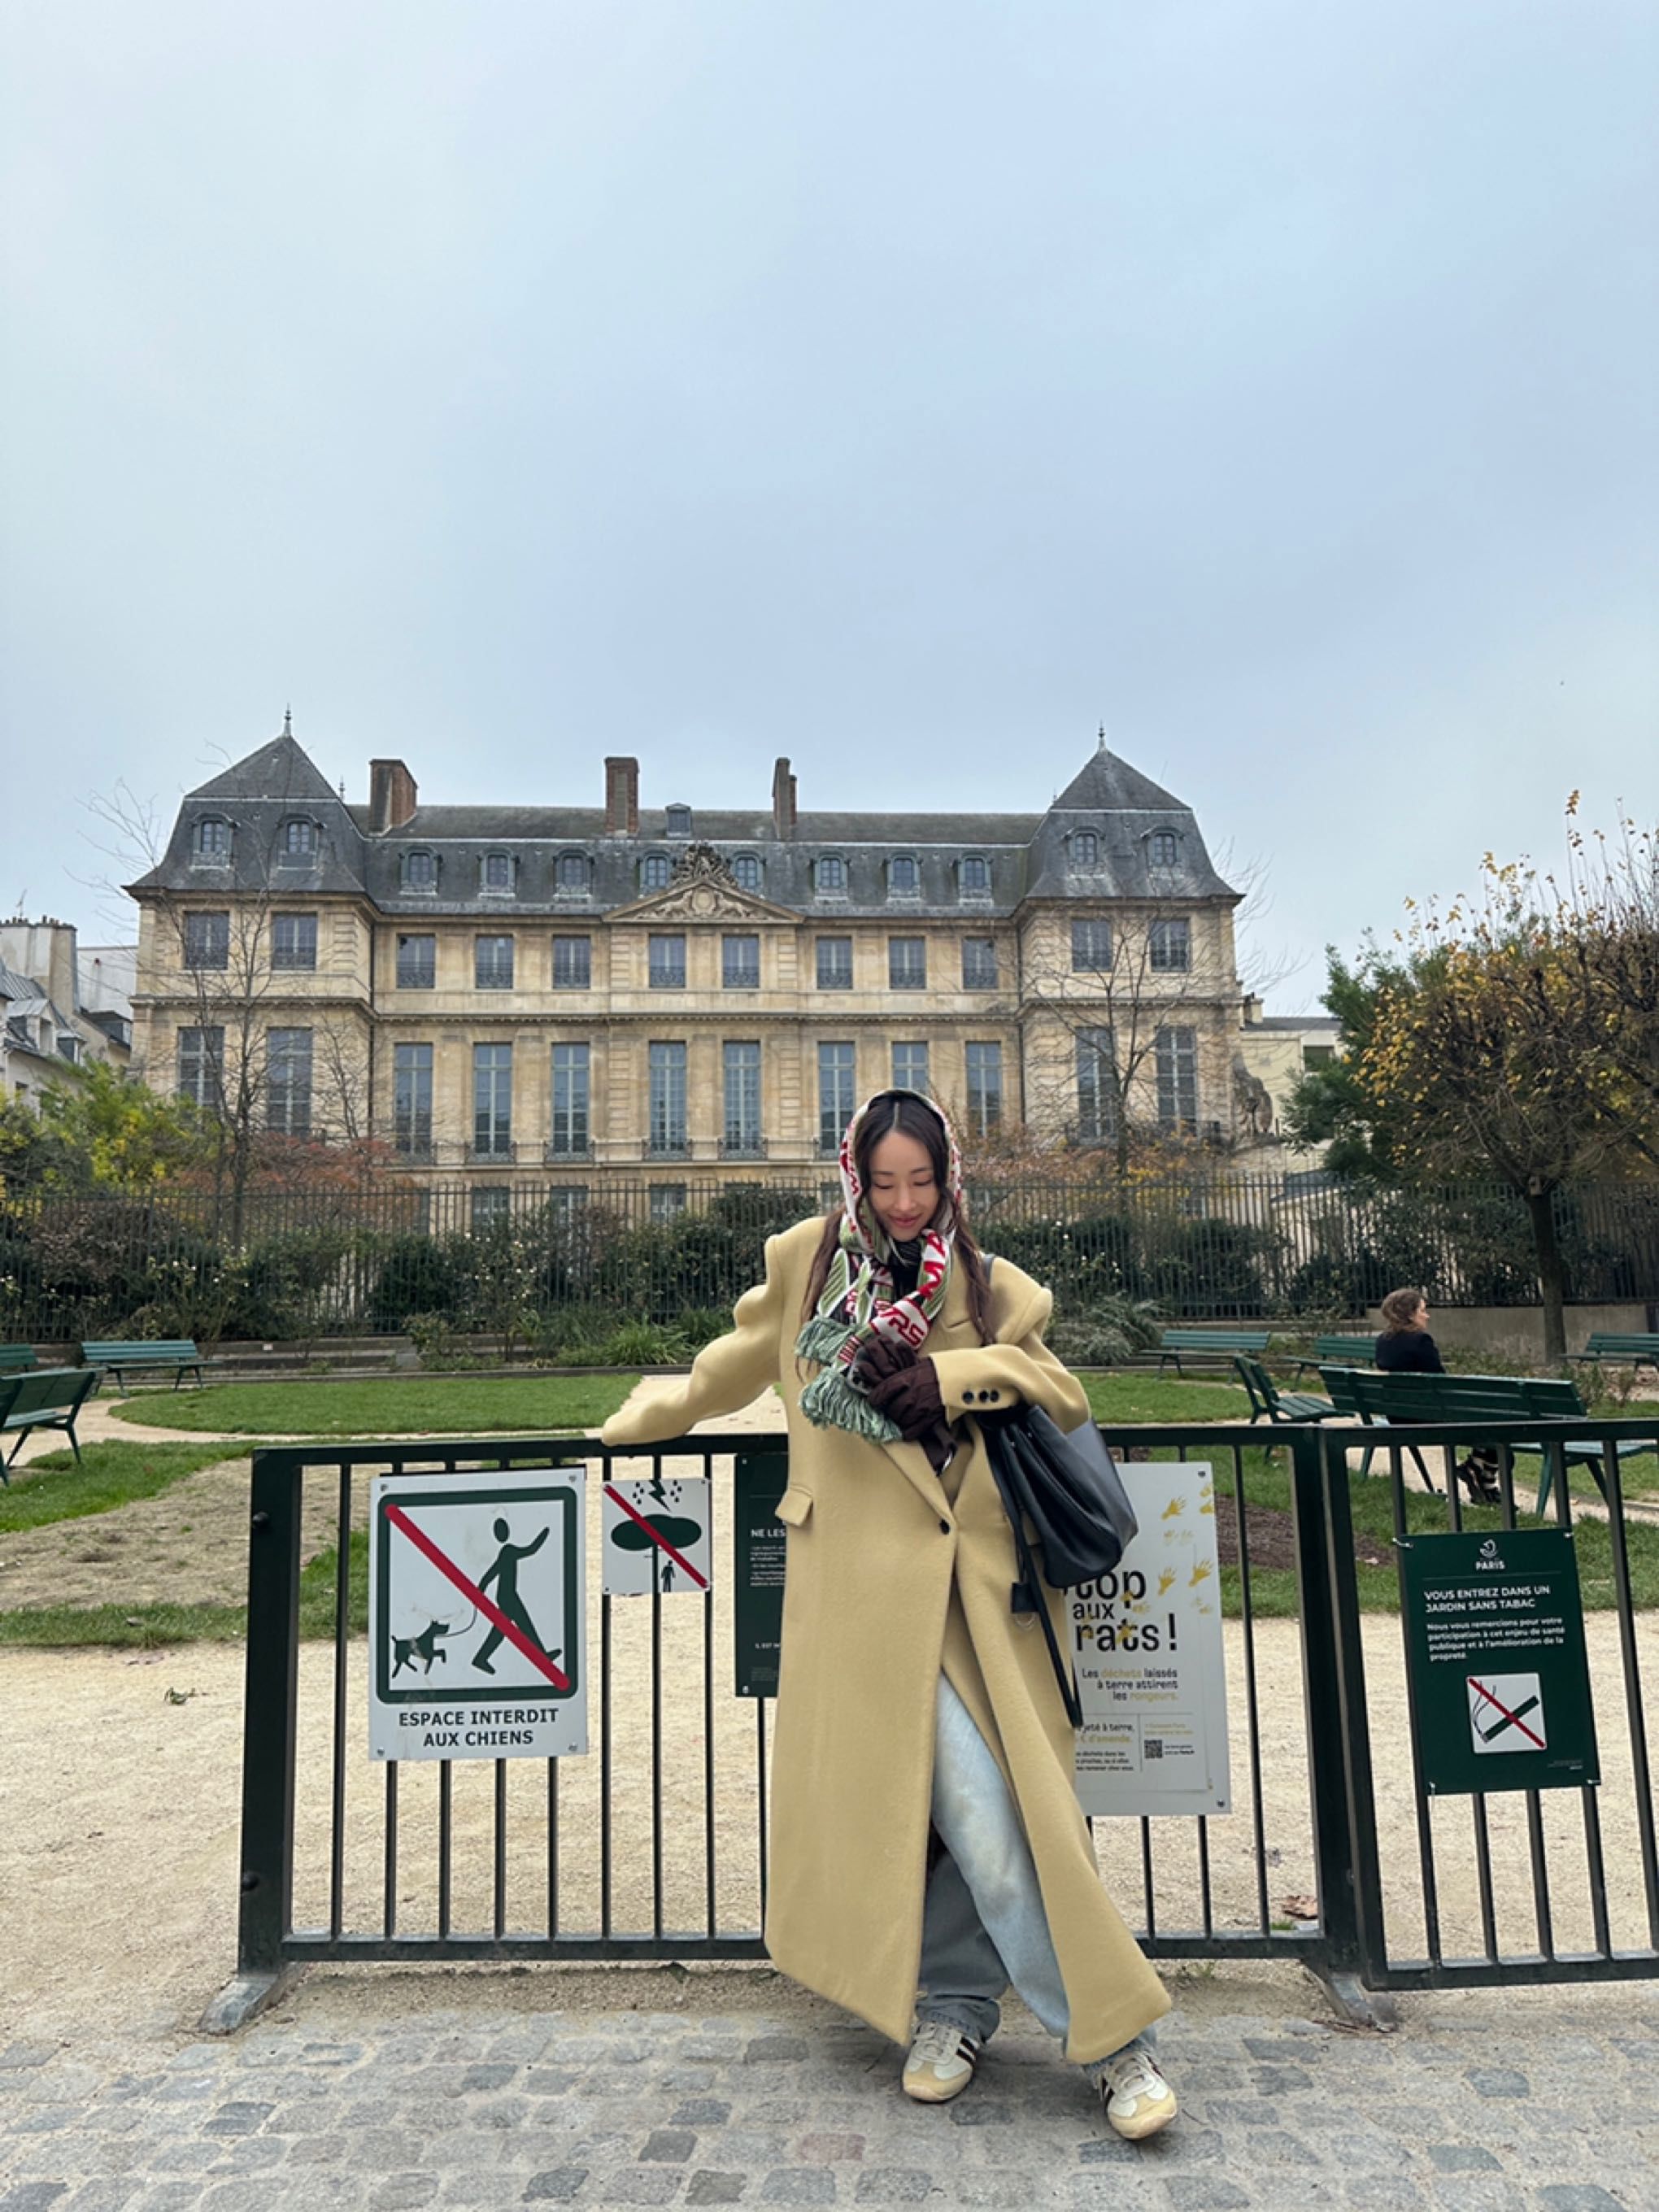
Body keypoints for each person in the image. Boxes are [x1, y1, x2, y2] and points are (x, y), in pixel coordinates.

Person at [600, 1090, 1177, 2139]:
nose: (905, 1202)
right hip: (863, 1596)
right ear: (855, 1176)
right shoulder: (808, 1262)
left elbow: (1060, 1392)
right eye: (885, 1181)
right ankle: (955, 2004)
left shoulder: (992, 1282)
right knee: (944, 1813)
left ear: (948, 1174)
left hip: (978, 1599)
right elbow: (739, 1357)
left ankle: (1105, 2036)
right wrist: (658, 1411)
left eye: (922, 1179)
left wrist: (947, 1377)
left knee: (988, 1818)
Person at [1374, 1287, 1501, 1504]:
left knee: (1489, 1428)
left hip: (1398, 1417)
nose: (1427, 1315)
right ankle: (1481, 1476)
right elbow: (1440, 1382)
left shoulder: (1383, 1341)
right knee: (1495, 1422)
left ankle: (1479, 1475)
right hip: (1429, 1418)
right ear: (1410, 1314)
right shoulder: (1421, 1341)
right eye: (1423, 1310)